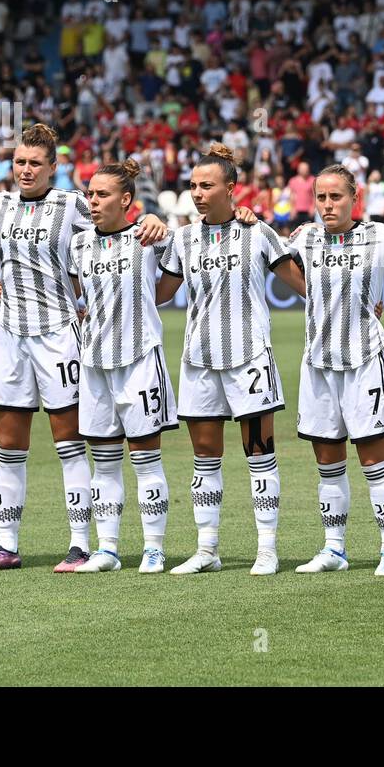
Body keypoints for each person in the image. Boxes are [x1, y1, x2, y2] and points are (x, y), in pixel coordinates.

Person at [0, 125, 170, 571]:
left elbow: (115, 223)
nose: (25, 170)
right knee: (10, 444)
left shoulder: (72, 205)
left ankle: (81, 544)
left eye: (34, 164)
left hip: (59, 334)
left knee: (68, 442)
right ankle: (6, 546)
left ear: (52, 168)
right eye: (19, 162)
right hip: (8, 335)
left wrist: (150, 220)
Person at [161, 145, 302, 577]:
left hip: (249, 358)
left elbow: (302, 285)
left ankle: (267, 548)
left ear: (231, 189)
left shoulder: (257, 233)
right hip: (199, 358)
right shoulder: (183, 238)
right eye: (193, 186)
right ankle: (207, 550)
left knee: (259, 453)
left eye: (207, 186)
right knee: (204, 456)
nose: (198, 194)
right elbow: (159, 294)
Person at [287, 165, 384, 575]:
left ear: (354, 198)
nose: (327, 205)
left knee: (374, 460)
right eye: (321, 197)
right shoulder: (303, 238)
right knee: (328, 462)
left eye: (336, 196)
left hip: (365, 360)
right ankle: (334, 549)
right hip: (318, 364)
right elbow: (265, 254)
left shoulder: (378, 236)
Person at [69, 160, 180, 574]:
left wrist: (158, 220)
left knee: (146, 458)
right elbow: (75, 297)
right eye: (90, 195)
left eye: (102, 195)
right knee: (104, 460)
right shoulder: (79, 246)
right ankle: (108, 549)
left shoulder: (149, 238)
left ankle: (154, 548)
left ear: (126, 200)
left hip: (139, 359)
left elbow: (183, 262)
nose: (93, 202)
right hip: (95, 362)